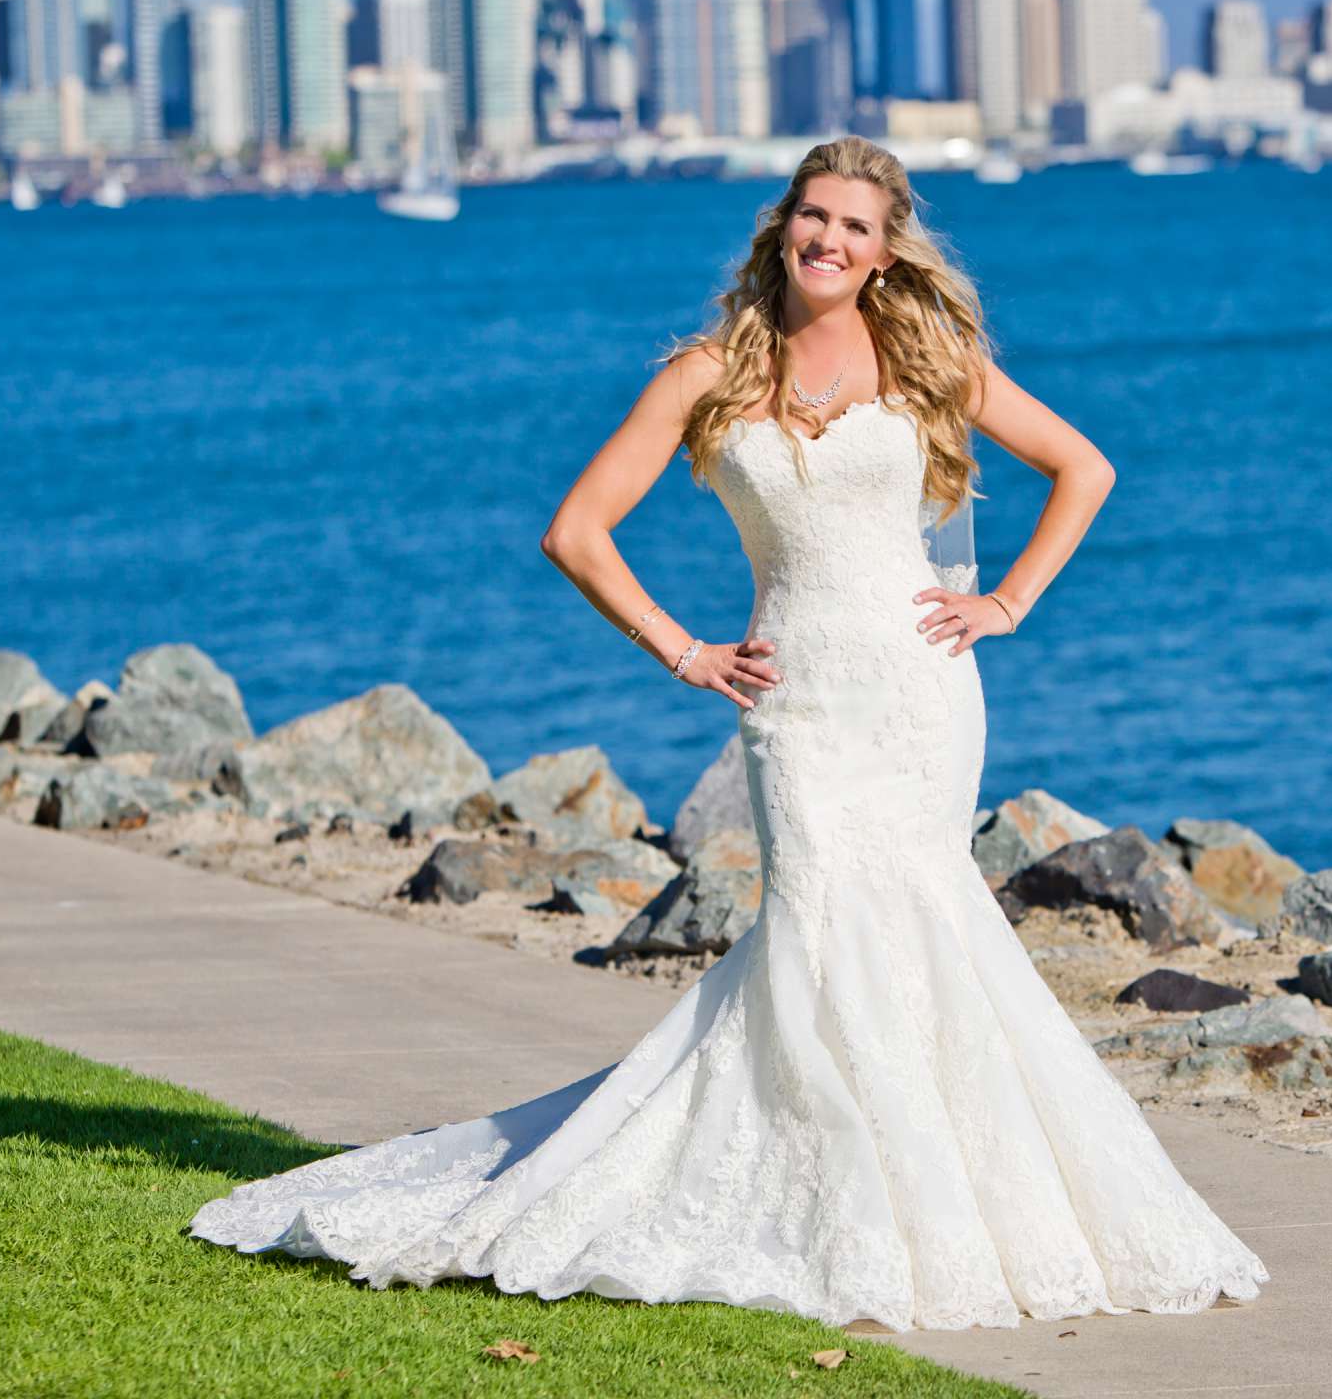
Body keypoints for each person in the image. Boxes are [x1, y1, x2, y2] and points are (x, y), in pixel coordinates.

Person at [188, 136, 1270, 1331]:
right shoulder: (709, 372)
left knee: (931, 925)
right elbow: (578, 530)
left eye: (857, 227)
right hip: (795, 704)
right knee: (816, 934)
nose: (830, 241)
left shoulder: (928, 357)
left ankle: (949, 1208)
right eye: (814, 216)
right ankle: (840, 1202)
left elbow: (1086, 466)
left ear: (885, 247)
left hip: (919, 693)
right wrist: (687, 650)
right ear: (783, 224)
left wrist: (1004, 602)